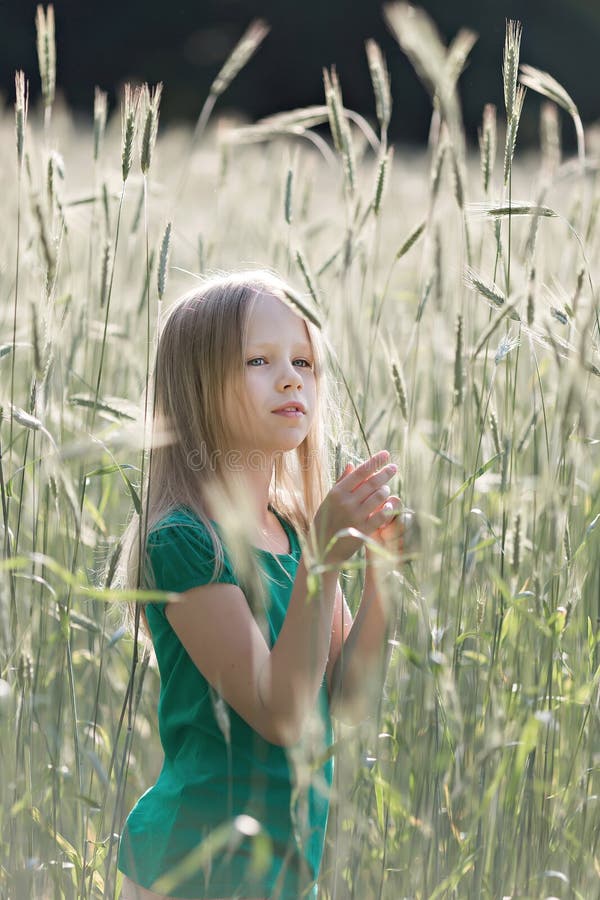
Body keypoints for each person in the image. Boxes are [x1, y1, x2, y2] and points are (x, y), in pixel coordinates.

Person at [116, 270, 405, 900]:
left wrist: (382, 579)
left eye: (303, 360)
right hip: (195, 865)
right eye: (258, 360)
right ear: (197, 387)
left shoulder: (296, 532)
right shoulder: (183, 542)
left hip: (282, 868)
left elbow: (344, 700)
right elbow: (281, 713)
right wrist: (325, 560)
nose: (290, 377)